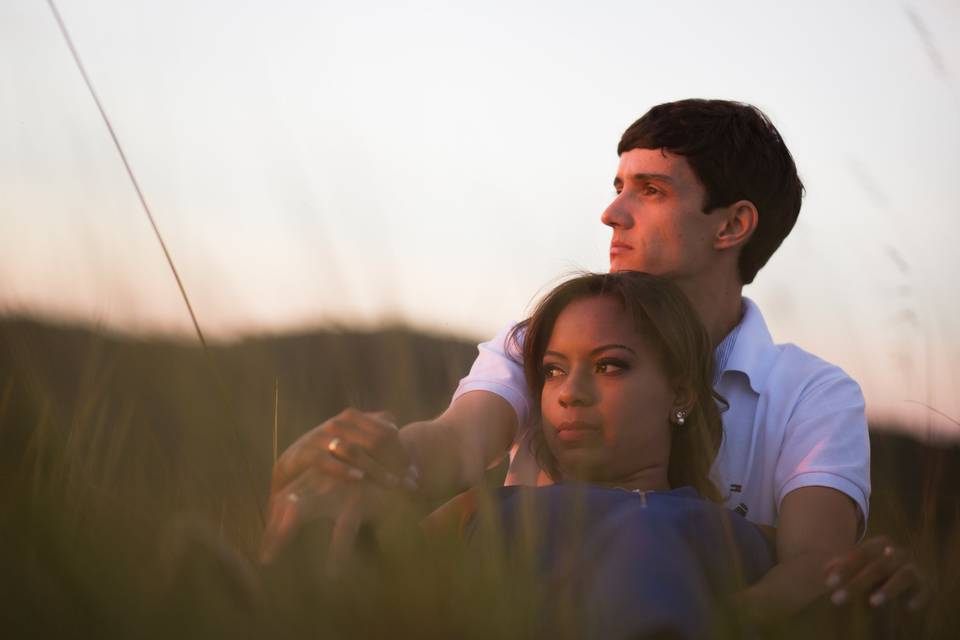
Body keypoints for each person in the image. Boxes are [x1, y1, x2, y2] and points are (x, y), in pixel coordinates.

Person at [260, 99, 928, 620]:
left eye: (652, 191)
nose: (612, 212)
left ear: (731, 226)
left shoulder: (812, 391)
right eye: (618, 185)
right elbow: (459, 439)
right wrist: (380, 458)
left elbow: (816, 561)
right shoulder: (540, 339)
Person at [461, 270, 775, 639]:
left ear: (681, 393)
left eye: (608, 366)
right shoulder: (491, 511)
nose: (570, 392)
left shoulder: (735, 536)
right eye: (554, 370)